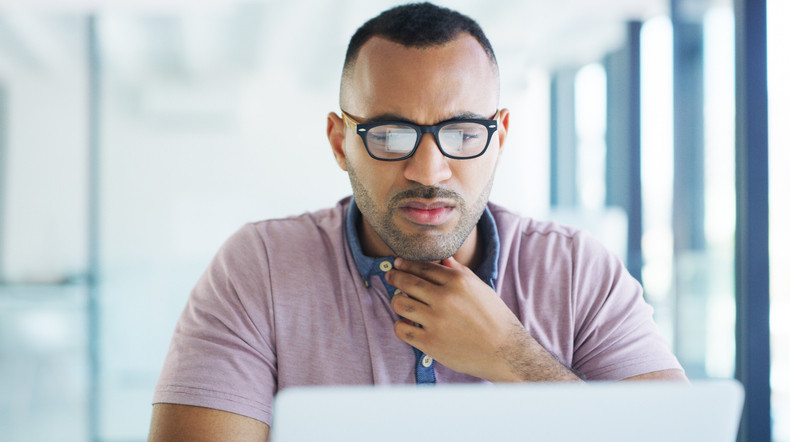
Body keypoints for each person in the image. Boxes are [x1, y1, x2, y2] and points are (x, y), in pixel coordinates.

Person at [149, 2, 686, 440]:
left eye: (462, 133)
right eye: (388, 134)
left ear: (498, 138)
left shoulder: (576, 270)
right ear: (341, 143)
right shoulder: (259, 269)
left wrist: (514, 359)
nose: (428, 170)